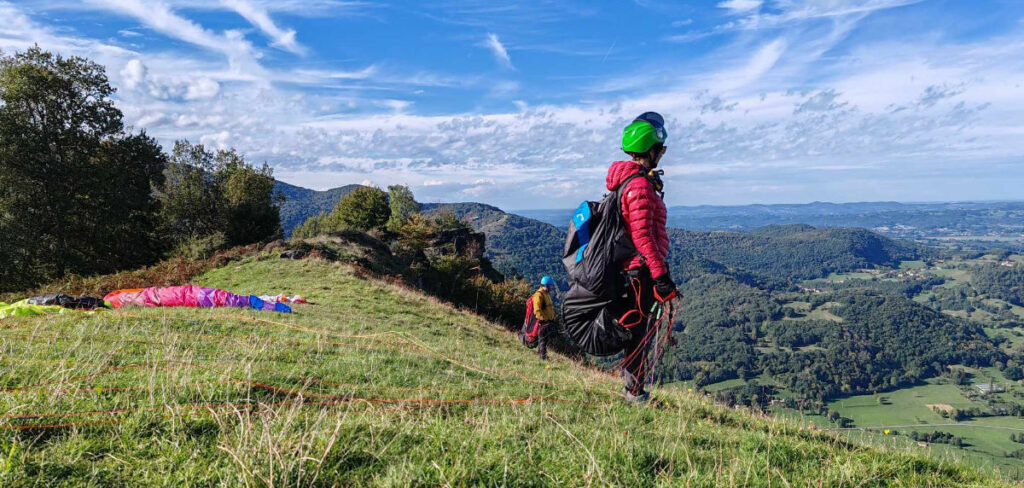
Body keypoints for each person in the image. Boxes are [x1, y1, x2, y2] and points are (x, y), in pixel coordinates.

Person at [606, 112, 678, 403]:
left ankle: (633, 389)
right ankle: (633, 392)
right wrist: (661, 276)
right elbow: (643, 236)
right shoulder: (638, 186)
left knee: (638, 330)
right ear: (650, 149)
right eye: (660, 149)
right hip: (641, 271)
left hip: (640, 268)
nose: (661, 154)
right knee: (638, 332)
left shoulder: (636, 182)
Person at [523, 275, 557, 360]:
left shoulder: (546, 294)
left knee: (545, 339)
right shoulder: (538, 295)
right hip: (542, 322)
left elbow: (549, 308)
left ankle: (541, 354)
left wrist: (552, 319)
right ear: (545, 285)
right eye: (550, 286)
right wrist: (543, 320)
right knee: (542, 339)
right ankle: (543, 357)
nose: (552, 288)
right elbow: (537, 310)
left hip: (547, 321)